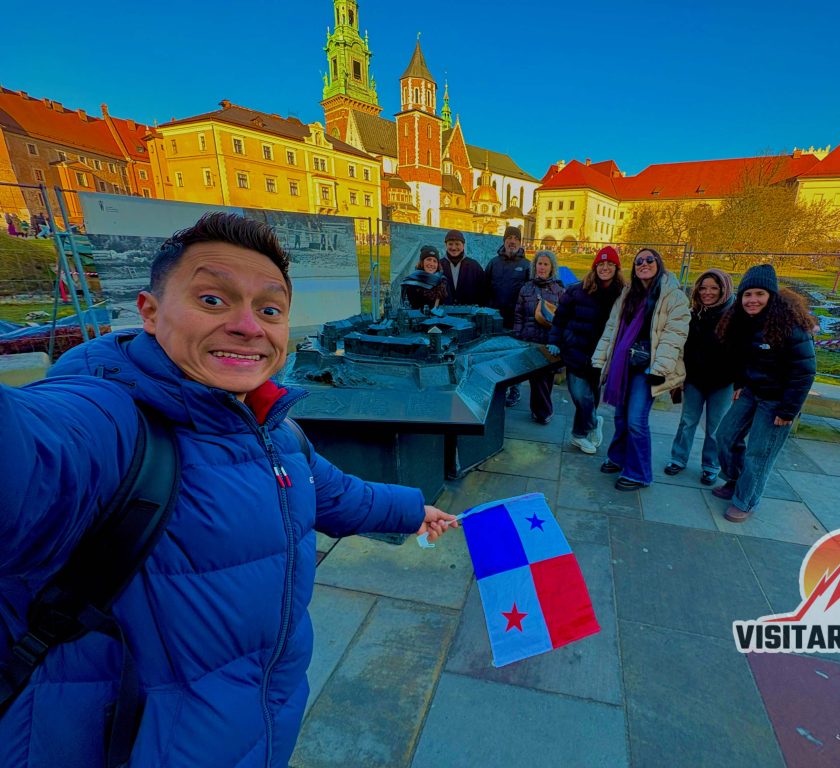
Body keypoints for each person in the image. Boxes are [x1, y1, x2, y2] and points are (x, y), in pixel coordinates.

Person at [0, 213, 458, 767]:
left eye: (269, 310)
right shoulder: (105, 423)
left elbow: (333, 492)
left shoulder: (275, 429)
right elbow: (28, 457)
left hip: (259, 729)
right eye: (213, 300)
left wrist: (411, 510)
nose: (247, 326)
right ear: (150, 312)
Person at [712, 264, 816, 523]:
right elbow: (740, 357)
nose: (752, 300)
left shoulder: (791, 326)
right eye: (747, 294)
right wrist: (739, 383)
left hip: (777, 401)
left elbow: (804, 372)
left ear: (771, 295)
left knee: (759, 453)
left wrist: (788, 410)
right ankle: (736, 480)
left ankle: (745, 501)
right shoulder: (742, 322)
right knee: (725, 436)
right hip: (751, 392)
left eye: (760, 294)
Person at [592, 249, 689, 490]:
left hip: (649, 367)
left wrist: (660, 368)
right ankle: (618, 457)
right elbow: (612, 329)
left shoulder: (673, 296)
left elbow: (674, 335)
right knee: (620, 416)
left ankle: (638, 473)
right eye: (638, 261)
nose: (643, 264)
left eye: (649, 260)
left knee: (636, 419)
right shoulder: (628, 294)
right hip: (624, 363)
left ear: (659, 263)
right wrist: (599, 361)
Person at [549, 246, 626, 454]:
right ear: (595, 267)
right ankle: (594, 422)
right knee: (580, 396)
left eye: (610, 264)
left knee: (592, 396)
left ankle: (578, 434)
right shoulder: (577, 290)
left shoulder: (622, 295)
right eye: (601, 264)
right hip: (576, 351)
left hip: (601, 356)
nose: (605, 268)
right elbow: (560, 318)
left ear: (616, 268)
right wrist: (556, 341)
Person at [665, 269, 735, 484]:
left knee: (716, 427)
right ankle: (678, 458)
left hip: (722, 382)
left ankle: (711, 465)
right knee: (687, 421)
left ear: (723, 290)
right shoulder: (693, 314)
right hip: (694, 379)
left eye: (714, 288)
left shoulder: (734, 316)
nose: (707, 292)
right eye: (703, 288)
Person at [513, 250, 565, 424]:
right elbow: (519, 314)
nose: (542, 267)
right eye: (539, 264)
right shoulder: (526, 288)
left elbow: (564, 318)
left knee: (547, 378)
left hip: (550, 341)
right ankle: (544, 412)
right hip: (531, 340)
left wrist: (559, 341)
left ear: (552, 268)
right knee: (537, 378)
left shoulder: (559, 290)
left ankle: (537, 410)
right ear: (534, 266)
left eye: (545, 264)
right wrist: (518, 335)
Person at [485, 225, 531, 407]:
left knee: (514, 356)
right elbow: (485, 289)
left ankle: (515, 390)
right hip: (495, 320)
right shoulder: (493, 263)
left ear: (520, 242)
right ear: (504, 241)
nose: (512, 241)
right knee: (495, 355)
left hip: (516, 321)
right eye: (509, 238)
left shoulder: (526, 265)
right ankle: (498, 388)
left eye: (516, 238)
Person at [439, 229, 487, 306]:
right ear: (446, 245)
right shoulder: (439, 265)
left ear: (463, 245)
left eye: (457, 244)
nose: (454, 248)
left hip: (468, 312)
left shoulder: (474, 266)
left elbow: (483, 292)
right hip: (444, 312)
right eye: (450, 244)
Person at [401, 244, 448, 311]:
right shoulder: (409, 284)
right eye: (428, 259)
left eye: (435, 261)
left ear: (438, 265)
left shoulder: (443, 282)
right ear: (422, 262)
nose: (431, 264)